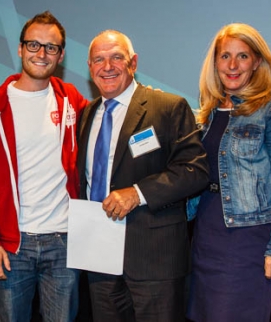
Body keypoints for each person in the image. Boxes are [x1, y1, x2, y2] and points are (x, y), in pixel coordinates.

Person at [77, 30, 209, 321]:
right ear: (89, 67)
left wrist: (137, 193)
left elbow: (195, 170)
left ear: (133, 63)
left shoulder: (168, 107)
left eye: (116, 58)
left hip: (154, 260)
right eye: (98, 59)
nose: (107, 66)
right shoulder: (86, 115)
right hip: (99, 256)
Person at [0, 11, 88, 322]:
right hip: (11, 246)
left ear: (60, 55)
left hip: (63, 242)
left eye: (51, 47)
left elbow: (110, 118)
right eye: (33, 45)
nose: (41, 53)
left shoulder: (70, 100)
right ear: (20, 49)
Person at [186, 23, 271, 322]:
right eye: (225, 56)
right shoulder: (207, 114)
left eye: (243, 56)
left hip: (247, 239)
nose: (233, 65)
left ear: (257, 62)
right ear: (215, 63)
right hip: (205, 235)